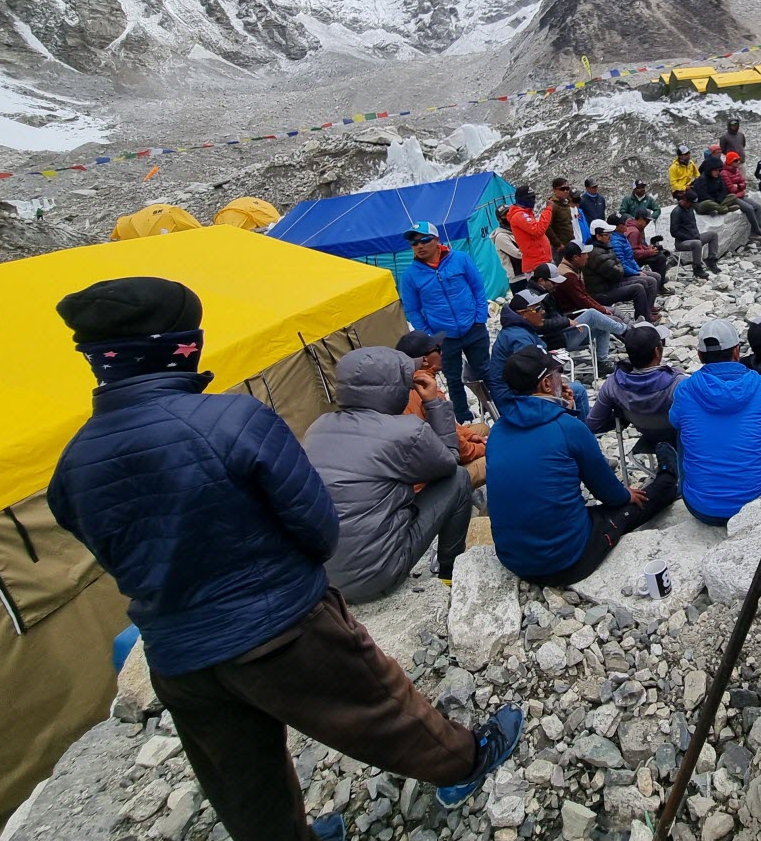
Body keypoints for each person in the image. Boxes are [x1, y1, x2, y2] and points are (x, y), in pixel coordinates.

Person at [46, 278, 522, 840]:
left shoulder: (73, 462)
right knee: (382, 711)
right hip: (276, 626)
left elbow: (113, 551)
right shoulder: (233, 422)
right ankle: (465, 764)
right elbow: (318, 527)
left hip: (176, 654)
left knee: (242, 777)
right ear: (181, 346)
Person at [488, 348, 677, 586]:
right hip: (567, 561)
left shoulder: (497, 431)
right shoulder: (567, 428)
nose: (563, 379)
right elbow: (609, 495)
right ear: (547, 384)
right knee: (637, 502)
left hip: (513, 558)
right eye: (559, 373)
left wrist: (562, 409)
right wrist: (625, 494)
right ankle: (669, 477)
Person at [301, 347, 473, 597]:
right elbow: (450, 462)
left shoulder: (317, 428)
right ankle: (449, 572)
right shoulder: (406, 432)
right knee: (459, 479)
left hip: (324, 577)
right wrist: (434, 403)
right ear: (398, 388)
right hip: (376, 576)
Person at [668, 320, 761, 526]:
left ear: (700, 355)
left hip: (701, 509)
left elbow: (674, 420)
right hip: (756, 505)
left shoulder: (685, 390)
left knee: (683, 430)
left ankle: (691, 487)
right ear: (737, 352)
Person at [396, 221, 491, 424]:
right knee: (453, 379)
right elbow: (412, 310)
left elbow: (478, 288)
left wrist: (480, 317)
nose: (419, 246)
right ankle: (464, 418)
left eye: (424, 240)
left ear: (437, 240)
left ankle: (497, 407)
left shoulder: (460, 259)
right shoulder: (410, 276)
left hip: (474, 328)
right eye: (414, 243)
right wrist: (430, 336)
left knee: (484, 371)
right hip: (444, 338)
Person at [395, 331, 487, 487]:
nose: (442, 353)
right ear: (424, 360)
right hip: (427, 482)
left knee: (481, 429)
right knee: (494, 457)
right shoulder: (426, 389)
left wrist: (471, 436)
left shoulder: (405, 381)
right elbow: (458, 449)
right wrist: (482, 448)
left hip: (427, 455)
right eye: (437, 349)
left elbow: (449, 427)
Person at [586, 324, 684, 464]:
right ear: (657, 351)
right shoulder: (679, 383)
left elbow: (593, 424)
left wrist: (620, 416)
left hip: (647, 434)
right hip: (681, 439)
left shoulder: (613, 384)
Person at [487, 288, 591, 417]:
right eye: (536, 309)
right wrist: (556, 388)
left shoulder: (520, 329)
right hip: (514, 401)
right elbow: (530, 379)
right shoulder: (519, 338)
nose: (543, 312)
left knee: (570, 389)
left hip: (515, 394)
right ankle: (582, 432)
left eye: (541, 307)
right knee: (578, 391)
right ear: (522, 314)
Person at [529, 263, 626, 376]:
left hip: (562, 331)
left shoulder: (545, 292)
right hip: (558, 338)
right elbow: (541, 325)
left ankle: (602, 362)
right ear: (541, 280)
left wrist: (566, 321)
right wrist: (566, 321)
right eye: (553, 282)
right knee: (592, 314)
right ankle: (626, 331)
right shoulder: (535, 299)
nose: (556, 285)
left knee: (602, 325)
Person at [585, 219, 658, 322]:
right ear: (598, 236)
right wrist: (621, 267)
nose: (610, 236)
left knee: (646, 281)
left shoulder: (605, 247)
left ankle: (646, 314)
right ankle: (644, 320)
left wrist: (620, 266)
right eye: (607, 234)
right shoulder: (596, 253)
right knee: (638, 288)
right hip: (603, 292)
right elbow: (617, 273)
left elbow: (619, 263)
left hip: (610, 284)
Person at [606, 211, 665, 294]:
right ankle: (652, 298)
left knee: (656, 276)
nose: (626, 224)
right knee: (653, 276)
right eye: (623, 223)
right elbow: (625, 261)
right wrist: (637, 272)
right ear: (616, 227)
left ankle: (651, 303)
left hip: (632, 267)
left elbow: (631, 256)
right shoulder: (626, 236)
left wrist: (638, 270)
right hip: (626, 272)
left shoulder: (623, 236)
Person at [722, 152, 761, 239]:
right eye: (735, 161)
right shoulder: (724, 173)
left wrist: (738, 186)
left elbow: (743, 184)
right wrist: (739, 186)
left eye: (738, 160)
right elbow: (731, 189)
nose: (738, 162)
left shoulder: (736, 170)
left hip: (740, 194)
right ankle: (757, 231)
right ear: (730, 162)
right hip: (732, 197)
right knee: (749, 208)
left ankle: (756, 231)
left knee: (758, 207)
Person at [670, 188, 720, 276]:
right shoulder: (676, 212)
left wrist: (695, 235)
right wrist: (690, 237)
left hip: (694, 237)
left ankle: (711, 260)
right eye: (691, 203)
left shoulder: (689, 209)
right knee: (697, 243)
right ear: (685, 200)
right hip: (682, 242)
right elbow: (673, 232)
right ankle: (697, 268)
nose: (692, 206)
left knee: (713, 234)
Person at [507, 186, 555, 273]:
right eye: (530, 198)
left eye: (534, 197)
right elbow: (538, 230)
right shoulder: (519, 215)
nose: (533, 200)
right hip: (536, 264)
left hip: (541, 261)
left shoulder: (526, 213)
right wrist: (548, 209)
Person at [618, 210, 672, 285]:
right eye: (647, 221)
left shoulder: (633, 228)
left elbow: (638, 245)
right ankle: (660, 285)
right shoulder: (635, 232)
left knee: (657, 255)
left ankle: (658, 279)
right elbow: (633, 252)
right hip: (632, 261)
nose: (648, 223)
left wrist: (648, 248)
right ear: (640, 219)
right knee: (660, 258)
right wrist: (649, 252)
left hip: (632, 259)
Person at [546, 178, 577, 251]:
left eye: (567, 189)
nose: (565, 191)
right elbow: (547, 227)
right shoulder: (552, 206)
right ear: (554, 190)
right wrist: (558, 244)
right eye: (562, 189)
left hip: (570, 244)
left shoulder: (565, 203)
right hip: (560, 247)